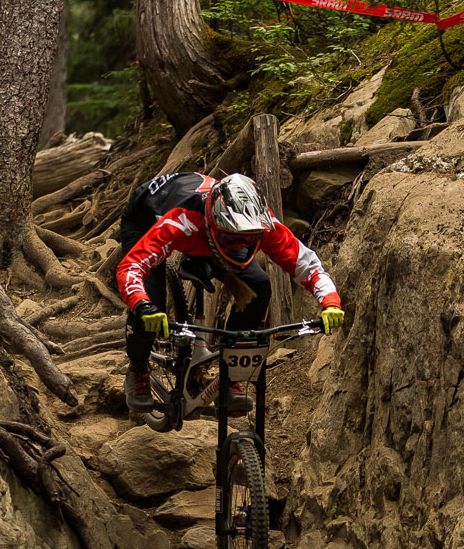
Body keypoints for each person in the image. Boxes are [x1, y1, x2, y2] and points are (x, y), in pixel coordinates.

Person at [116, 171, 344, 413]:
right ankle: (138, 369)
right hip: (145, 220)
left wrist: (330, 302)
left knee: (259, 286)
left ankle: (229, 375)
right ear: (214, 221)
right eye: (231, 237)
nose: (240, 244)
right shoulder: (184, 220)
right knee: (151, 305)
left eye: (248, 239)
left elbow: (307, 264)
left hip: (209, 234)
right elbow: (131, 268)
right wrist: (142, 304)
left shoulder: (259, 223)